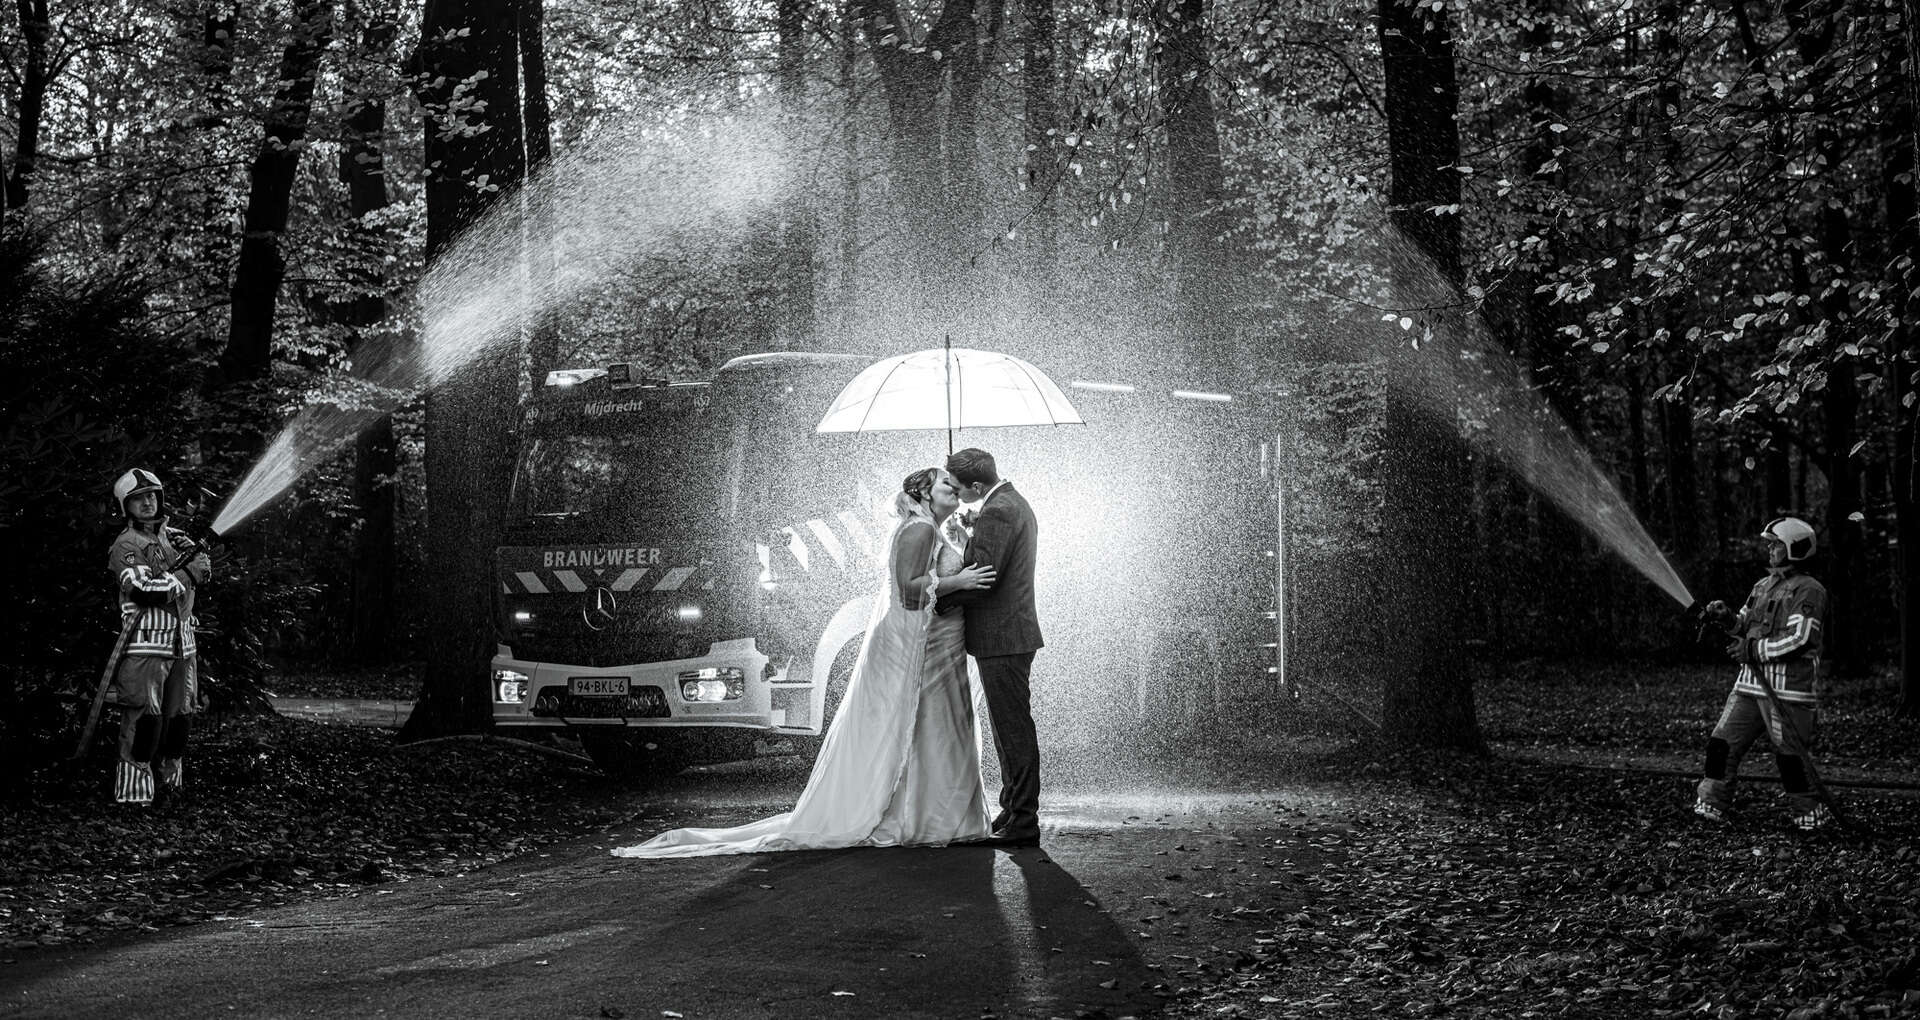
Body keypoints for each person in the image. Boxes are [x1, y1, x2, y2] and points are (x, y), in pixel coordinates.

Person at [612, 468, 997, 856]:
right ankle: (919, 814)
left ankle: (925, 812)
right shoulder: (920, 530)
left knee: (918, 728)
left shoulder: (934, 528)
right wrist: (959, 583)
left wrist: (965, 537)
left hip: (927, 642)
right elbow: (909, 593)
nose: (956, 489)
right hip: (911, 640)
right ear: (925, 494)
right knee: (912, 726)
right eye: (947, 483)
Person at [1693, 516, 1834, 832]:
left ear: (1795, 548)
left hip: (1788, 693)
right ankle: (1710, 805)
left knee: (1791, 758)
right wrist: (1726, 617)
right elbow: (1744, 625)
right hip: (1750, 686)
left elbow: (1800, 639)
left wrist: (1752, 650)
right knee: (1721, 744)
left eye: (1776, 544)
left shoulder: (1810, 590)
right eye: (1769, 543)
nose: (1770, 548)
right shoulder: (1762, 586)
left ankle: (1809, 817)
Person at [936, 448, 1044, 848]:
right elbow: (983, 559)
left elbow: (984, 578)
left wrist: (938, 601)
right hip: (1009, 635)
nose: (957, 493)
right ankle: (1012, 809)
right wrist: (970, 535)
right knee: (1007, 729)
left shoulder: (999, 510)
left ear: (977, 485)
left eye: (960, 488)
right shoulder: (1005, 502)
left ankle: (1023, 821)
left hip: (1003, 636)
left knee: (1012, 730)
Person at [102, 468, 211, 806]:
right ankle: (134, 799)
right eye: (138, 498)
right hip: (146, 648)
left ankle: (170, 790)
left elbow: (201, 575)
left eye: (152, 495)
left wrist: (196, 559)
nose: (147, 502)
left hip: (183, 646)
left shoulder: (174, 538)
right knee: (144, 723)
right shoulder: (125, 545)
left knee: (179, 722)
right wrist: (189, 571)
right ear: (126, 506)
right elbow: (144, 589)